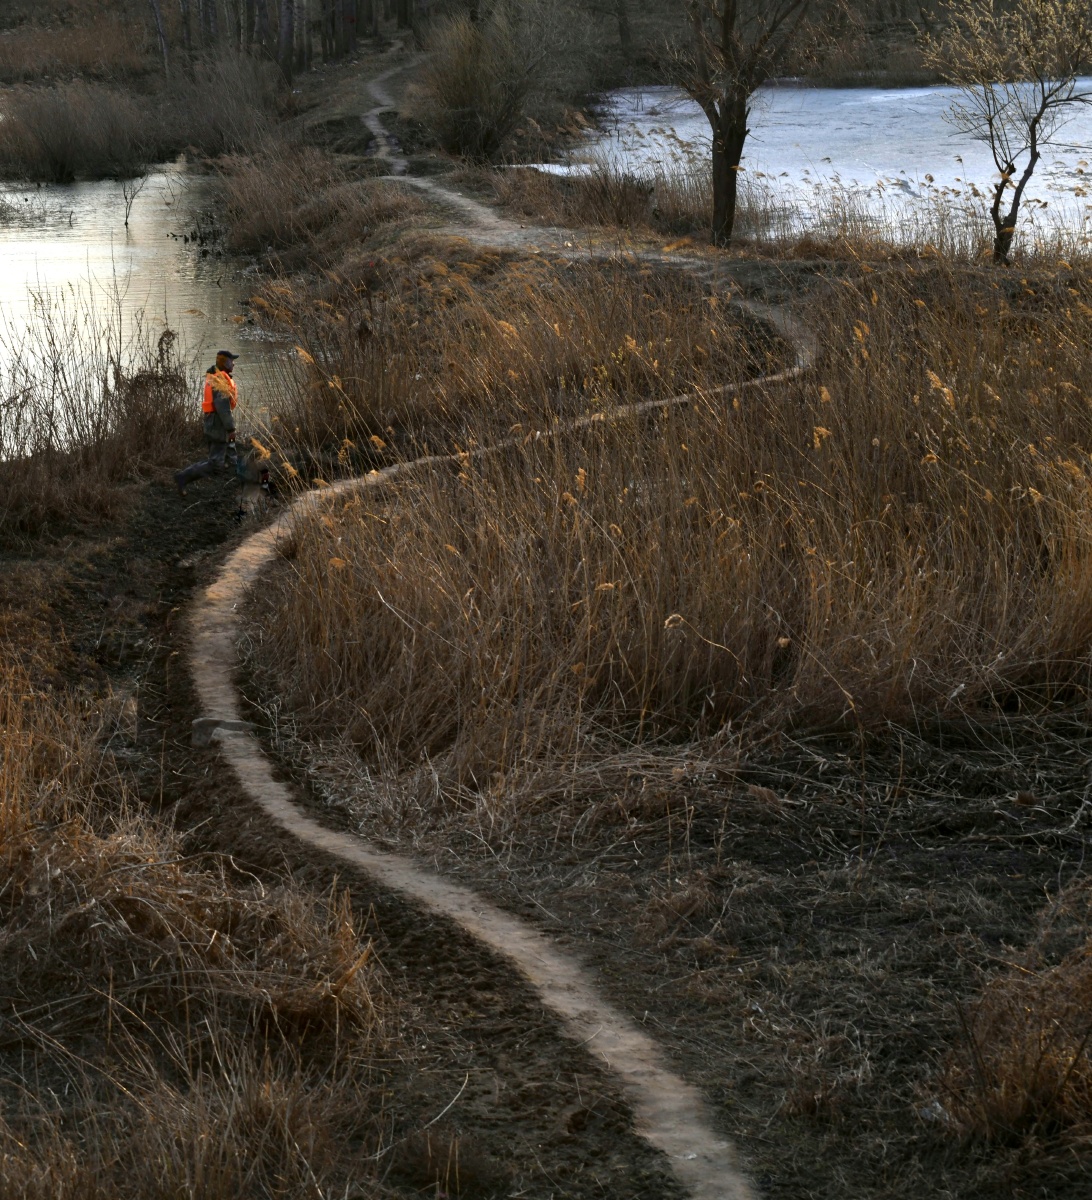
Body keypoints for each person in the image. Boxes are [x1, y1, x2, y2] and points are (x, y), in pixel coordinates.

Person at [174, 350, 240, 496]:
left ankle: (236, 487)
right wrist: (231, 428)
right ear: (225, 363)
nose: (234, 363)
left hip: (215, 423)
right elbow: (223, 408)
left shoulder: (217, 377)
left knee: (228, 457)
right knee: (215, 464)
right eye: (231, 361)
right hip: (217, 424)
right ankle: (183, 477)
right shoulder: (219, 381)